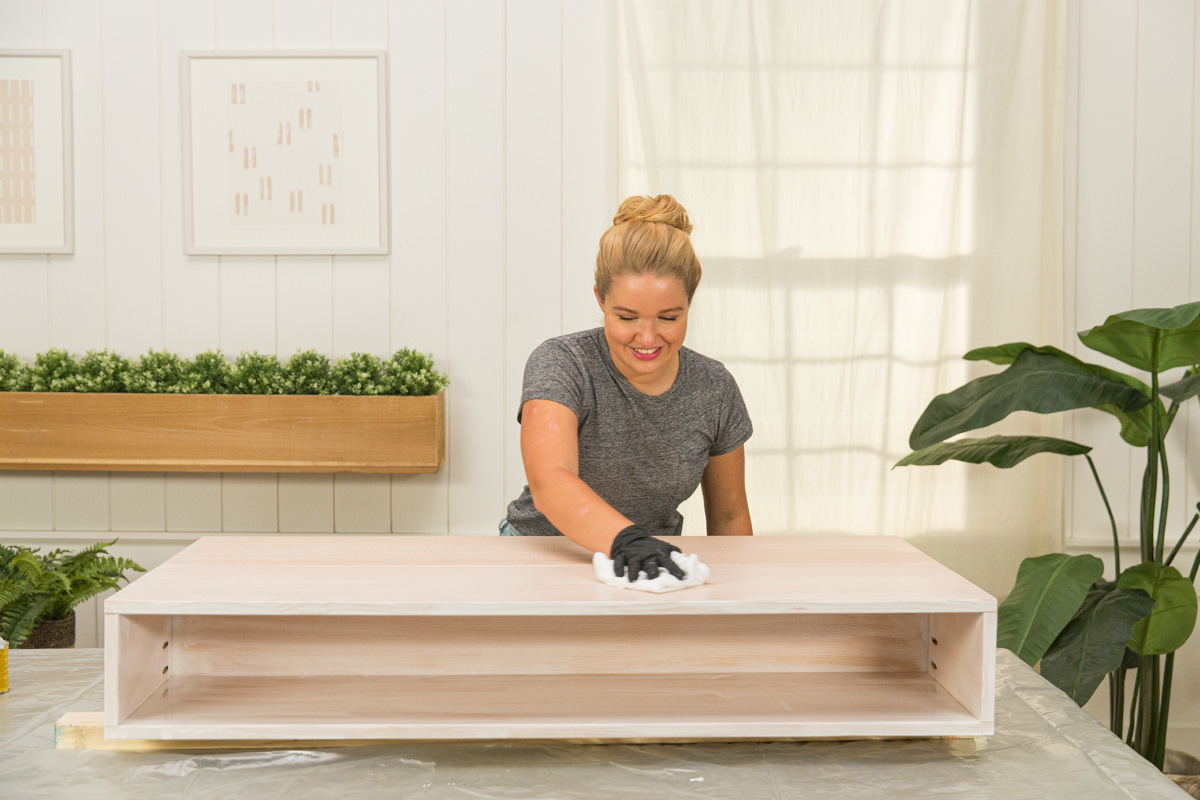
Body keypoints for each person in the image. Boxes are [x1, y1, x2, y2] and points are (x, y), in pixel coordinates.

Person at [500, 194, 753, 581]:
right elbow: (550, 482)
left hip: (650, 564)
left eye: (669, 317)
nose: (647, 337)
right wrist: (625, 540)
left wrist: (743, 594)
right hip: (546, 554)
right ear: (600, 299)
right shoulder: (563, 363)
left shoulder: (714, 388)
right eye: (627, 316)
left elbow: (730, 515)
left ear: (690, 303)